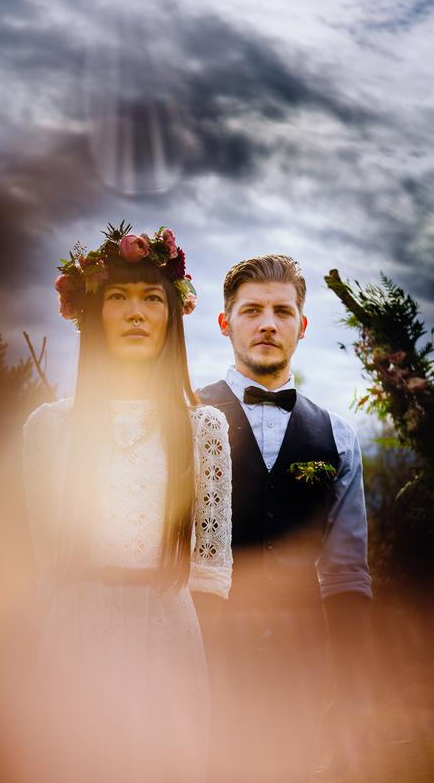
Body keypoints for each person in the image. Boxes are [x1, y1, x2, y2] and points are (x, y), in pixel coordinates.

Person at [21, 222, 232, 783]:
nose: (136, 312)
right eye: (117, 297)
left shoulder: (203, 430)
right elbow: (42, 563)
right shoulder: (50, 428)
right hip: (75, 635)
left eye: (151, 298)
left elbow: (209, 573)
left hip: (168, 635)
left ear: (172, 315)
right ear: (94, 312)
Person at [197, 254, 372, 783]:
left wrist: (353, 683)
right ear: (226, 323)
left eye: (282, 311)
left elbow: (346, 571)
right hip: (202, 662)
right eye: (252, 311)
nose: (268, 323)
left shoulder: (338, 435)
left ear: (302, 325)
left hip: (301, 671)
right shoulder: (184, 416)